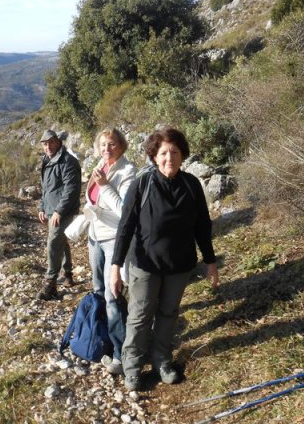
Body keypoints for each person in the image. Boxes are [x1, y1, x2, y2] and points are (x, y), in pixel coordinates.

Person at [110, 127, 219, 391]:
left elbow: (202, 226)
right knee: (140, 315)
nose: (169, 158)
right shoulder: (142, 184)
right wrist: (115, 266)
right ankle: (132, 367)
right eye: (163, 153)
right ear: (154, 156)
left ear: (182, 155)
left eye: (175, 152)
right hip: (145, 264)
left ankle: (162, 360)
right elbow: (125, 227)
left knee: (168, 314)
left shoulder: (191, 185)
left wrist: (210, 261)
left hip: (179, 265)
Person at [85, 128, 136, 375]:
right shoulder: (100, 165)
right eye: (103, 144)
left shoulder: (128, 171)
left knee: (112, 295)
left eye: (112, 144)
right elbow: (92, 199)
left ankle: (121, 354)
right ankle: (104, 339)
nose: (107, 149)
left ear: (122, 146)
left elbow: (124, 210)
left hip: (114, 239)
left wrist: (104, 185)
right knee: (99, 290)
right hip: (94, 237)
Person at [37, 130, 82, 300]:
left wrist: (59, 211)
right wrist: (42, 207)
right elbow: (46, 188)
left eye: (51, 142)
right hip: (51, 209)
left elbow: (72, 189)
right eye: (45, 144)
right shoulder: (47, 160)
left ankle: (51, 283)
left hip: (64, 210)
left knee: (54, 242)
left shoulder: (68, 161)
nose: (48, 146)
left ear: (58, 142)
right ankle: (67, 273)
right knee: (61, 240)